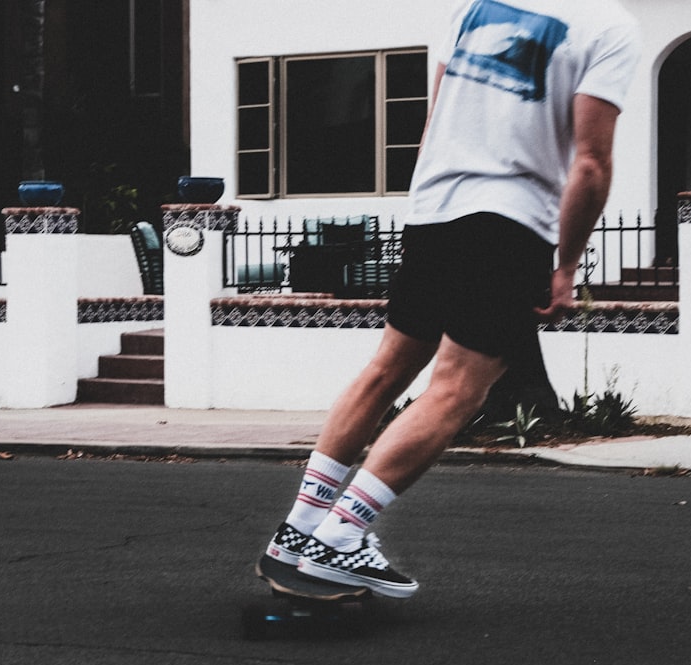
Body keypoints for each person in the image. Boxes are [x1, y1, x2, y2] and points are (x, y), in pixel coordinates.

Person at [264, 0, 641, 598]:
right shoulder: (609, 25)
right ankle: (339, 537)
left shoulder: (474, 7)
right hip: (510, 225)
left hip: (433, 212)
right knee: (457, 389)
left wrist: (427, 204)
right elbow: (591, 165)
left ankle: (301, 527)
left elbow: (435, 117)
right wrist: (566, 264)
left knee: (384, 372)